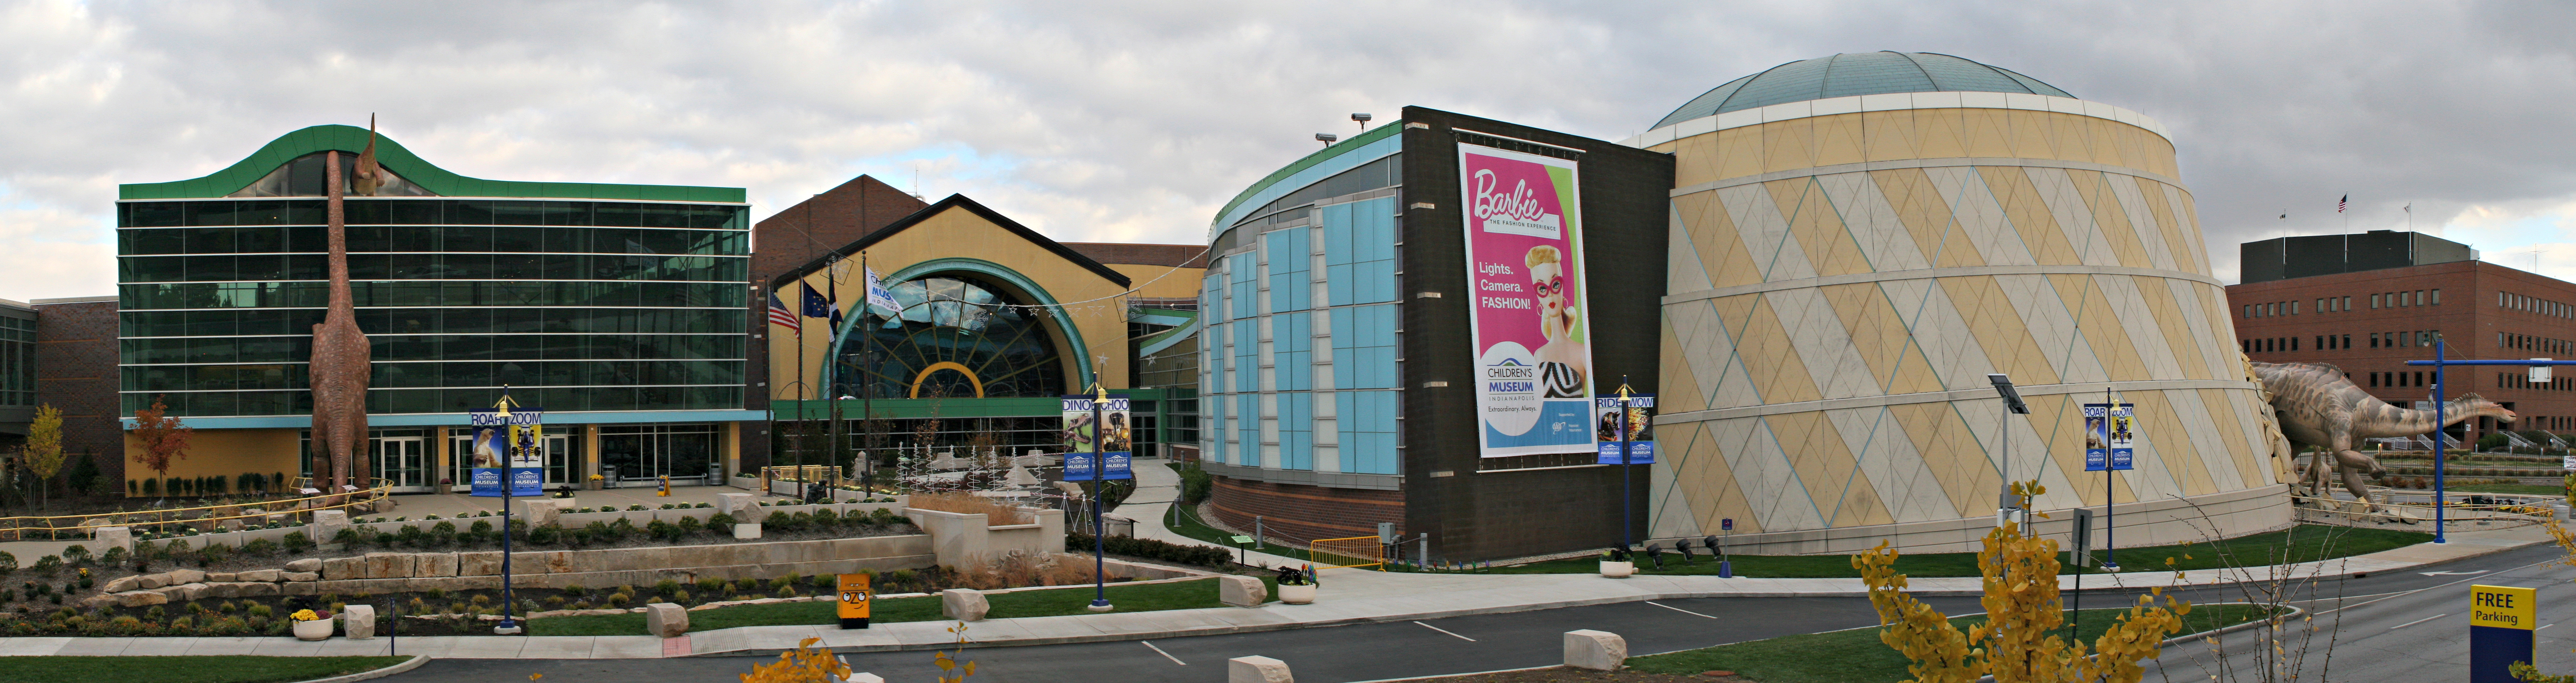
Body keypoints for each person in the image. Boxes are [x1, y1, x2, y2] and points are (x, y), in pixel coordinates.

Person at [1526, 245, 1589, 398]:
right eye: (1542, 289)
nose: (1550, 296)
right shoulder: (1539, 355)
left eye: (1555, 285)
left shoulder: (1582, 351)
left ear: (1562, 286)